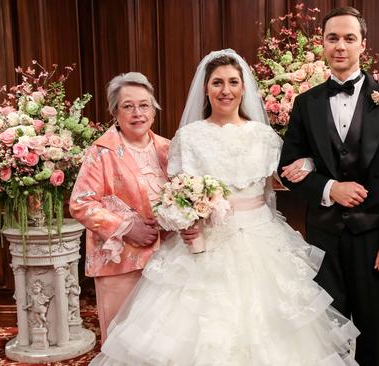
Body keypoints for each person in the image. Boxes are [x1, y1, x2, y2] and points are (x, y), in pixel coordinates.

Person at [89, 49, 359, 365]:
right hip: (205, 242)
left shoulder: (264, 136)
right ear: (206, 88)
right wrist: (184, 219)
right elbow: (175, 194)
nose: (225, 90)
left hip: (261, 240)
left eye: (233, 82)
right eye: (217, 82)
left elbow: (288, 175)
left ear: (244, 88)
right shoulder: (188, 137)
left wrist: (309, 162)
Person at [278, 6, 379, 365]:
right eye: (332, 38)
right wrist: (328, 188)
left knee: (371, 331)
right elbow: (286, 166)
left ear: (362, 45)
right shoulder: (306, 103)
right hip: (324, 237)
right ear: (322, 44)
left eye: (349, 38)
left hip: (374, 237)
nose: (340, 46)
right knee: (329, 330)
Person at [69, 72, 171, 343]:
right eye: (128, 106)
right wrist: (127, 228)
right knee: (122, 340)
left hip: (167, 260)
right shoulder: (101, 151)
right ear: (115, 111)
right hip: (120, 262)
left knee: (161, 340)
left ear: (153, 109)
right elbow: (80, 203)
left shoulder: (168, 149)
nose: (138, 113)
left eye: (144, 105)